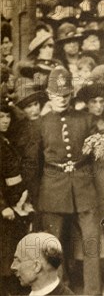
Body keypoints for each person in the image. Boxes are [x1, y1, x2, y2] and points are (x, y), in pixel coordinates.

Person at [32, 66, 102, 295]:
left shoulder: (87, 119)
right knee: (54, 246)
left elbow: (98, 157)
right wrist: (34, 196)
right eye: (55, 95)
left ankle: (93, 291)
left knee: (92, 242)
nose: (60, 100)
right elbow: (34, 163)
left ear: (71, 94)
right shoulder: (41, 124)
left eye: (65, 95)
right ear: (49, 96)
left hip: (84, 187)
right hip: (52, 189)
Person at [1, 101, 31, 296]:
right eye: (1, 117)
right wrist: (2, 206)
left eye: (7, 116)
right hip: (5, 207)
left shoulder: (5, 140)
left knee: (10, 250)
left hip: (15, 202)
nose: (5, 120)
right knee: (4, 254)